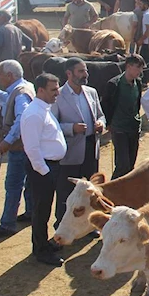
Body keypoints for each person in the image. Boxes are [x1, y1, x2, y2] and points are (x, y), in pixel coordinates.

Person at [0, 61, 34, 239]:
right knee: (28, 181)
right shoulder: (25, 87)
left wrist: (8, 140)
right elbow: (8, 98)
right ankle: (30, 212)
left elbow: (21, 118)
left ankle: (7, 224)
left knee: (13, 185)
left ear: (9, 76)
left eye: (0, 74)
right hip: (29, 145)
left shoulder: (20, 95)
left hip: (19, 146)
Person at [51, 58, 106, 225]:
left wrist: (101, 123)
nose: (85, 74)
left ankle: (90, 224)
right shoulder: (58, 96)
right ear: (69, 73)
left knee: (91, 191)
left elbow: (101, 115)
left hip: (91, 147)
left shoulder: (91, 92)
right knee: (66, 192)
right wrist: (71, 128)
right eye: (81, 71)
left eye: (86, 70)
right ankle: (61, 225)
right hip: (70, 151)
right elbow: (52, 125)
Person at [21, 73, 67, 266]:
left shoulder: (44, 109)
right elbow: (32, 149)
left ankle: (43, 244)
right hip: (42, 169)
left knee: (45, 208)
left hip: (50, 167)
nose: (57, 93)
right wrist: (45, 172)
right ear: (40, 90)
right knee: (41, 210)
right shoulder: (33, 114)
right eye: (53, 90)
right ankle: (40, 250)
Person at [102, 54, 145, 178]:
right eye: (137, 67)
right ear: (128, 66)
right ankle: (112, 190)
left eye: (141, 68)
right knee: (122, 165)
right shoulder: (114, 84)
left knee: (131, 165)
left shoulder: (138, 83)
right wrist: (109, 123)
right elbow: (106, 104)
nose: (140, 71)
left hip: (134, 127)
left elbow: (137, 103)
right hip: (119, 128)